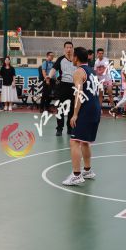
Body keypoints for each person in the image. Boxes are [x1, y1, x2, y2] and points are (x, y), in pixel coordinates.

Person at [63, 47, 101, 186]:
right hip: (95, 108)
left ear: (76, 58)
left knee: (74, 141)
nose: (71, 58)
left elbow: (79, 94)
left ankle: (76, 175)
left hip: (86, 109)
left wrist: (75, 114)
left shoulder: (79, 72)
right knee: (85, 141)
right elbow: (98, 91)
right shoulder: (92, 71)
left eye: (72, 56)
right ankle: (87, 170)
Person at [48, 41, 76, 137]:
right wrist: (49, 76)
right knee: (61, 108)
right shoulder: (60, 59)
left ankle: (70, 128)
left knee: (72, 109)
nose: (69, 49)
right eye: (67, 47)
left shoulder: (76, 59)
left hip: (74, 86)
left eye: (70, 47)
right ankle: (59, 129)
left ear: (73, 49)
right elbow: (53, 69)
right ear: (64, 49)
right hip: (63, 86)